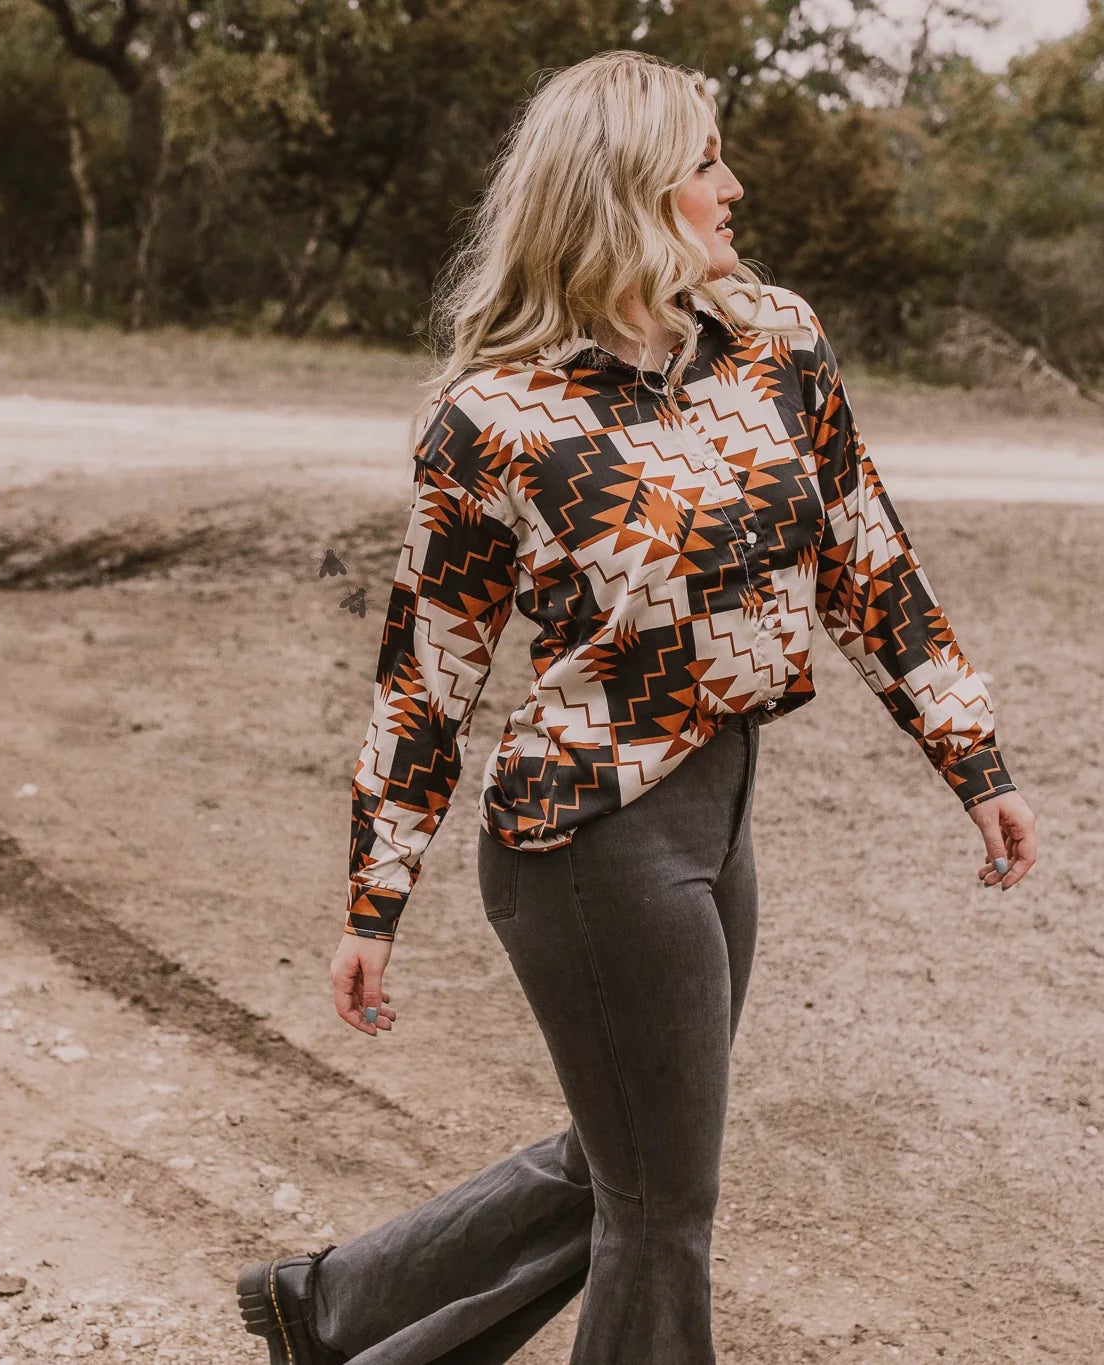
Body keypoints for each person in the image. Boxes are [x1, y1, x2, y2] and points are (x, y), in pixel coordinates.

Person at [237, 47, 1039, 1365]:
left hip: (718, 817)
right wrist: (374, 899)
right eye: (705, 161)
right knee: (663, 1206)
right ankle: (333, 1316)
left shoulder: (775, 341)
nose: (735, 184)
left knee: (632, 1158)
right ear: (627, 191)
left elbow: (867, 557)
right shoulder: (495, 420)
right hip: (587, 841)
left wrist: (974, 757)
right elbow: (427, 677)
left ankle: (329, 1311)